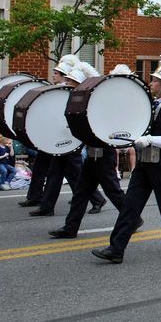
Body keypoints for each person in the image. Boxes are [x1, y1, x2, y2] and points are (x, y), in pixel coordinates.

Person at [92, 49, 161, 263]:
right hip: (144, 162)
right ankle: (116, 248)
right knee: (130, 205)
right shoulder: (151, 105)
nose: (151, 83)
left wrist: (149, 140)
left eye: (155, 80)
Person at [48, 65, 137, 239]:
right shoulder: (79, 102)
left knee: (113, 191)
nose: (68, 85)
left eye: (72, 82)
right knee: (81, 192)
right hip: (92, 153)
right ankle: (70, 227)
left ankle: (133, 219)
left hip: (104, 153)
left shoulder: (99, 102)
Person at [29, 61, 107, 216]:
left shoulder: (80, 98)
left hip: (72, 141)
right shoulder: (66, 94)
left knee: (76, 173)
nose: (67, 82)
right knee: (55, 173)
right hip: (62, 139)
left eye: (70, 81)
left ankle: (97, 199)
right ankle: (47, 207)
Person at [19, 54, 77, 208]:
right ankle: (36, 197)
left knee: (70, 171)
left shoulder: (66, 92)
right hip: (50, 136)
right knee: (43, 167)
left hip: (63, 137)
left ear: (64, 76)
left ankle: (93, 198)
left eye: (56, 73)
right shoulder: (54, 90)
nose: (53, 75)